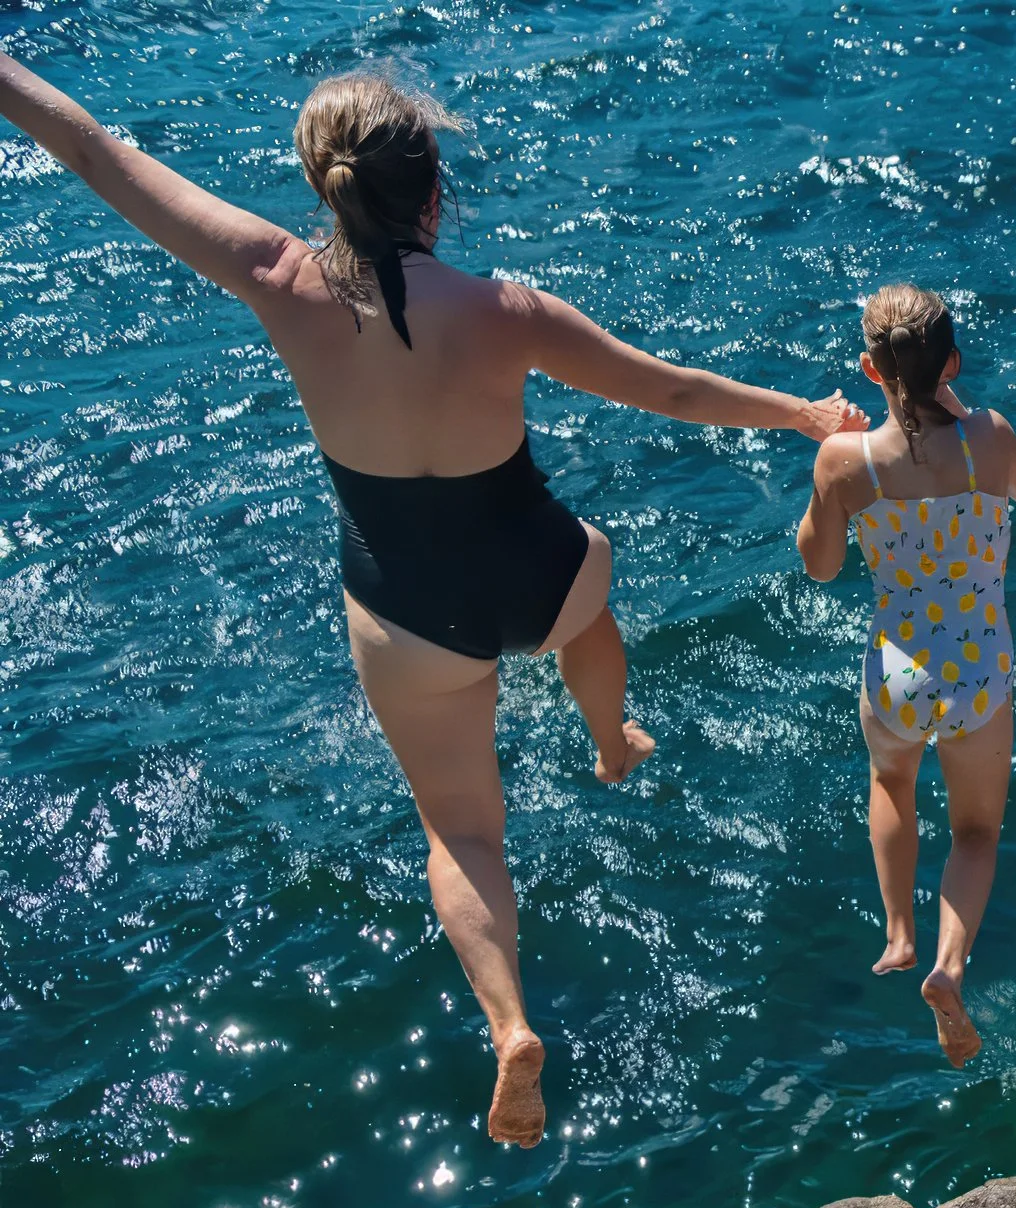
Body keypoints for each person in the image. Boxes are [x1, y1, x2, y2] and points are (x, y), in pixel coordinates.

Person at [0, 57, 852, 1144]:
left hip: (406, 616)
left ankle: (510, 1028)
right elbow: (677, 391)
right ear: (434, 191)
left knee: (460, 833)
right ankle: (610, 735)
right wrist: (799, 415)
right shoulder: (510, 311)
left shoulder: (274, 275)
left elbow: (93, 149)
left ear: (324, 187)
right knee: (593, 587)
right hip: (539, 576)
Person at [795, 284, 1016, 1067]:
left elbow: (821, 564)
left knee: (891, 783)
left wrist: (820, 485)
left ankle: (900, 932)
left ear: (870, 370)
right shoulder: (991, 439)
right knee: (975, 833)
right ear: (953, 362)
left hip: (898, 671)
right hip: (979, 668)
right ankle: (948, 965)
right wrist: (966, 410)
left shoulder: (847, 461)